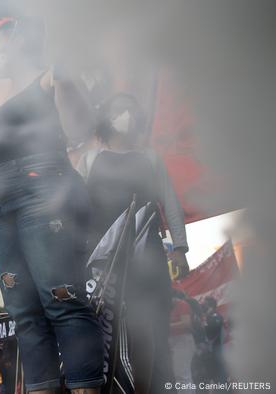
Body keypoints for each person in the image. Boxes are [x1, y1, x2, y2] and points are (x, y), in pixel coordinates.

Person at [0, 18, 105, 394]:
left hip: (42, 193)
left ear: (22, 42)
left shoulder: (48, 78)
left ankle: (85, 387)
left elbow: (79, 126)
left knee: (62, 299)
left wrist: (65, 72)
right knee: (24, 314)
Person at [76, 93, 189, 392]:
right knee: (107, 329)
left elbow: (171, 203)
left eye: (129, 108)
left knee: (147, 326)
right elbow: (74, 207)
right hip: (102, 259)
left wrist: (180, 248)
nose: (124, 114)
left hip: (145, 256)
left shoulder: (150, 157)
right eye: (117, 108)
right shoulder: (90, 159)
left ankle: (149, 387)